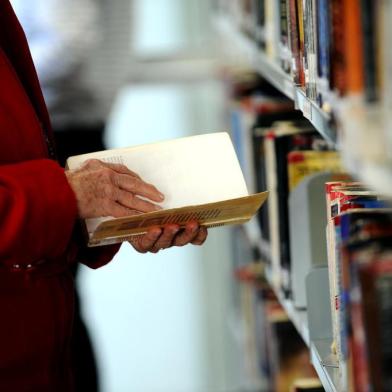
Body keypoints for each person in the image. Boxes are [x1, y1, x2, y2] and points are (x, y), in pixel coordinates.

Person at [0, 1, 208, 391]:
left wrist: (88, 216)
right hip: (61, 133)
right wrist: (61, 194)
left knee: (68, 311)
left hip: (60, 133)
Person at [10, 1, 129, 390]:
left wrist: (23, 102)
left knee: (58, 297)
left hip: (62, 122)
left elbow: (68, 39)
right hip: (58, 127)